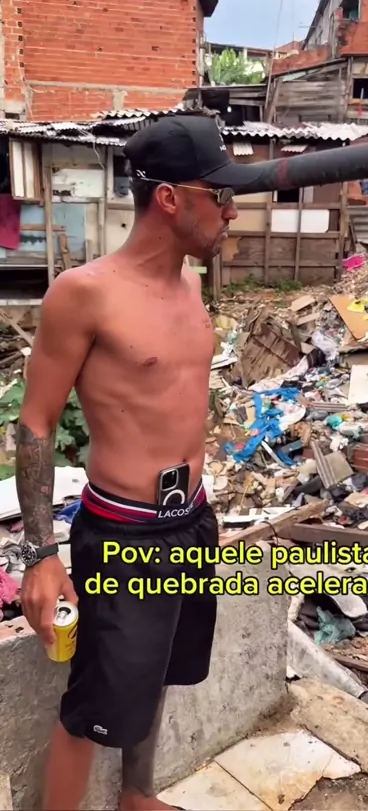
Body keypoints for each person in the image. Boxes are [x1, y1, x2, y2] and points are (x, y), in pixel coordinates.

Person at [15, 112, 267, 811]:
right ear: (170, 199)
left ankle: (137, 795)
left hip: (192, 522)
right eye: (220, 195)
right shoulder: (85, 293)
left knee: (160, 672)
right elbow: (35, 424)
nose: (231, 210)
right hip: (123, 532)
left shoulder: (192, 286)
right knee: (92, 703)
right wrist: (40, 555)